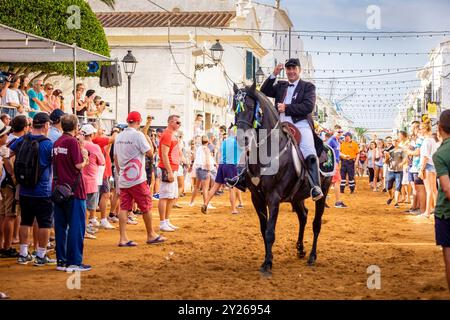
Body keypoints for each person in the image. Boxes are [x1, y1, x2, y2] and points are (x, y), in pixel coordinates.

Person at [260, 58, 323, 201]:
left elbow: (308, 107)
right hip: (280, 123)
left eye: (294, 68)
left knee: (308, 150)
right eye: (288, 69)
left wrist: (287, 108)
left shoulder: (308, 87)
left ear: (299, 70)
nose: (291, 72)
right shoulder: (281, 85)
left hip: (300, 124)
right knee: (261, 145)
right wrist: (274, 74)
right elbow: (264, 91)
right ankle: (249, 178)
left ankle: (315, 186)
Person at [8, 113, 55, 266]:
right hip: (43, 190)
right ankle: (41, 255)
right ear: (46, 125)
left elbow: (7, 155)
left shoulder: (23, 139)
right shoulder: (48, 144)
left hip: (24, 189)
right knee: (44, 223)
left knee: (25, 221)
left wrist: (14, 174)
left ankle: (23, 254)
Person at [114, 111, 164, 246]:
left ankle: (123, 238)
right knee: (146, 205)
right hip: (137, 178)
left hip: (124, 177)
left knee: (124, 207)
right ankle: (151, 234)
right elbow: (150, 153)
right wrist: (148, 139)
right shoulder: (138, 135)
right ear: (138, 122)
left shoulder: (119, 136)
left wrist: (120, 174)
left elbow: (116, 158)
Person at [53, 114, 91, 272]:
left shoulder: (57, 141)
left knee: (60, 226)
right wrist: (86, 159)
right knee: (76, 226)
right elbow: (78, 165)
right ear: (76, 127)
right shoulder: (72, 142)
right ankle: (74, 261)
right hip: (74, 190)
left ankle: (61, 260)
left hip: (59, 189)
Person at [0, 115, 28, 258]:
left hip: (3, 182)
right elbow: (9, 163)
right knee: (10, 215)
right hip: (9, 183)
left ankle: (3, 244)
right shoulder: (18, 142)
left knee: (4, 214)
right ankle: (7, 246)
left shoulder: (9, 141)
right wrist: (13, 177)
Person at [201, 128, 242, 214]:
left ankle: (205, 203)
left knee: (215, 187)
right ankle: (233, 209)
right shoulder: (238, 141)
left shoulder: (225, 141)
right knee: (232, 188)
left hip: (222, 165)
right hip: (231, 166)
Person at [432, 109, 450, 291]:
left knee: (449, 253)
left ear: (440, 128)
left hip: (447, 212)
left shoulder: (440, 154)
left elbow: (446, 188)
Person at [157, 115, 182, 232]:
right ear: (171, 122)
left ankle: (166, 220)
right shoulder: (167, 134)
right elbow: (164, 154)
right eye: (177, 122)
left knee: (171, 196)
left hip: (173, 168)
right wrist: (169, 171)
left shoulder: (171, 134)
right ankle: (162, 222)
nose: (179, 124)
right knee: (165, 196)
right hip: (168, 168)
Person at [80, 124, 106, 234]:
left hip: (79, 179)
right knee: (87, 207)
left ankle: (84, 227)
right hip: (90, 180)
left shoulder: (78, 144)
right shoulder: (94, 147)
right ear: (91, 135)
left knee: (82, 205)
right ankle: (85, 228)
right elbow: (102, 161)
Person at [93, 124, 120, 228]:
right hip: (102, 172)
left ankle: (97, 218)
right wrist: (116, 131)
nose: (104, 132)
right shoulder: (97, 140)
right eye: (102, 130)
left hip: (105, 171)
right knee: (105, 194)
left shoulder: (98, 141)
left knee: (104, 195)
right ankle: (102, 219)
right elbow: (113, 138)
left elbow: (107, 152)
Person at [418, 120, 438, 218]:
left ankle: (427, 212)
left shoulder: (426, 141)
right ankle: (437, 209)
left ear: (425, 129)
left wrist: (421, 169)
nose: (419, 130)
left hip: (428, 166)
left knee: (429, 190)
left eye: (421, 128)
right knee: (434, 189)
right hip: (433, 165)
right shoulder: (432, 140)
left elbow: (425, 157)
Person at [326, 127, 347, 208]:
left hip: (336, 163)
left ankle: (323, 201)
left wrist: (344, 156)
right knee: (337, 181)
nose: (340, 133)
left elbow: (337, 152)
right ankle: (338, 202)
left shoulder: (337, 141)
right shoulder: (331, 140)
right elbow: (326, 150)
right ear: (334, 131)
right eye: (338, 132)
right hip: (333, 164)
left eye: (341, 132)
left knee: (330, 182)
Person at [385, 137, 408, 208]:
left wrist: (402, 163)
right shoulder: (389, 150)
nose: (395, 142)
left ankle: (396, 202)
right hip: (390, 171)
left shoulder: (402, 150)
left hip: (399, 171)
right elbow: (386, 162)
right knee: (389, 187)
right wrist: (387, 157)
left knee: (398, 186)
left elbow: (405, 159)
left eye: (396, 141)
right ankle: (391, 197)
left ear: (398, 142)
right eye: (393, 141)